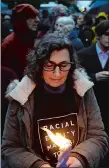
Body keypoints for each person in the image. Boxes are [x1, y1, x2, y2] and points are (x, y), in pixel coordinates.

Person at [1, 33, 109, 168]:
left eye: (64, 65)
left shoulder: (83, 90)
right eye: (49, 65)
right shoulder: (22, 96)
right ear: (39, 65)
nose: (57, 73)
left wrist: (80, 158)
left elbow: (98, 137)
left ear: (72, 64)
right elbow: (10, 148)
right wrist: (37, 165)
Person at [77, 20, 109, 135]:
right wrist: (94, 77)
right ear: (98, 35)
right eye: (107, 34)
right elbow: (76, 79)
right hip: (92, 104)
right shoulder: (83, 54)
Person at [1, 4, 40, 79]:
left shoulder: (31, 39)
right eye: (32, 17)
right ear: (21, 20)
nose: (38, 20)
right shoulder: (8, 44)